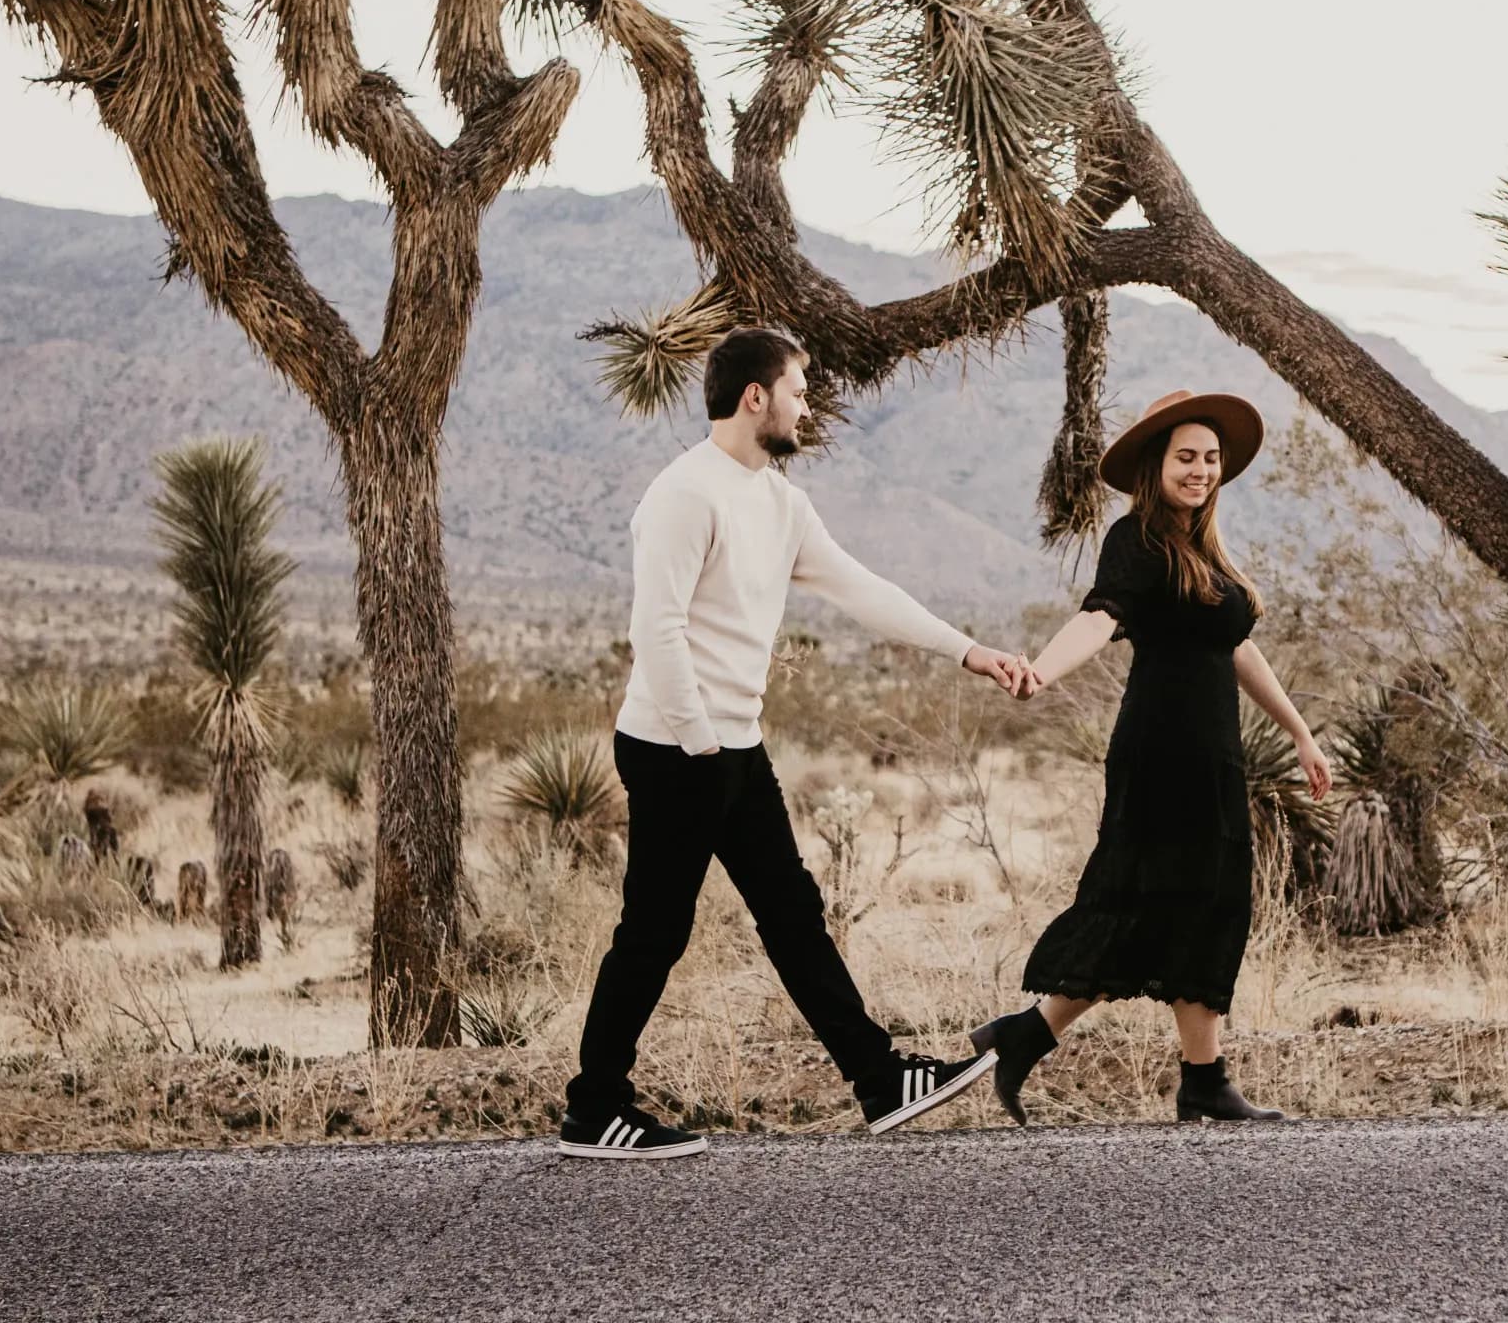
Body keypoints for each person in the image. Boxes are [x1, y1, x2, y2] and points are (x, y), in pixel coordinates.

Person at [558, 327, 1034, 1158]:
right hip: (677, 748)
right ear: (756, 397)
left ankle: (879, 1079)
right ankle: (595, 1108)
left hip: (732, 748)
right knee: (656, 932)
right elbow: (656, 629)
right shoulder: (684, 494)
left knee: (792, 915)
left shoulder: (780, 502)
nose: (807, 408)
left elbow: (861, 588)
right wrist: (703, 745)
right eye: (800, 392)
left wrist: (969, 651)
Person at [973, 390, 1331, 1125]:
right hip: (1161, 752)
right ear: (1157, 466)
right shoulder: (1135, 539)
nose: (1200, 470)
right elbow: (1101, 617)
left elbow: (1234, 645)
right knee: (1143, 902)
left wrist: (1299, 731)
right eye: (1185, 458)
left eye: (1210, 459)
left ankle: (1193, 1078)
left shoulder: (1206, 551)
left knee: (1212, 902)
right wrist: (1042, 669)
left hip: (1214, 755)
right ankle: (1039, 1039)